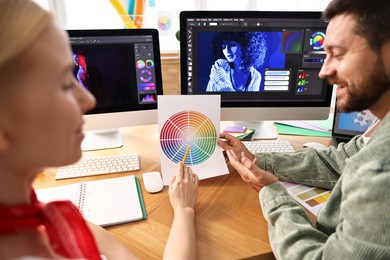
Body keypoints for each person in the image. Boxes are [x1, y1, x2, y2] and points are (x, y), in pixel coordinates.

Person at [0, 0, 198, 259]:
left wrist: (90, 231)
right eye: (64, 84)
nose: (89, 101)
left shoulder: (41, 224)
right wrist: (184, 211)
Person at [218, 0, 390, 259]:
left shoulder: (381, 173)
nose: (323, 71)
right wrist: (255, 159)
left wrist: (272, 193)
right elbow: (340, 161)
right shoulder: (381, 128)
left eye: (339, 54)